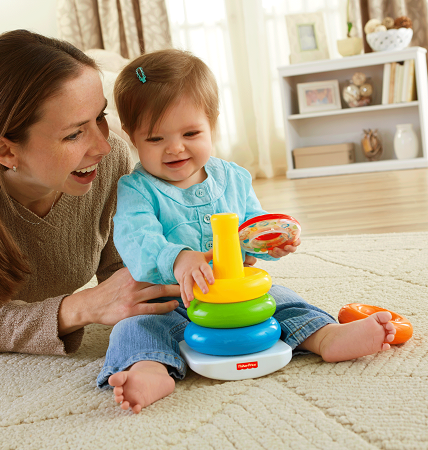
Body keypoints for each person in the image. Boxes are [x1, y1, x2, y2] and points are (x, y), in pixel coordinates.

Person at [99, 49, 397, 413]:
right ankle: (149, 369)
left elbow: (254, 228)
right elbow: (136, 240)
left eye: (191, 132)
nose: (175, 148)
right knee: (132, 329)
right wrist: (178, 260)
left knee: (283, 300)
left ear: (214, 123)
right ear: (131, 136)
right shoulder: (136, 190)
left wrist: (273, 242)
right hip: (172, 300)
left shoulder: (234, 178)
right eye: (155, 139)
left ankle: (327, 336)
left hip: (239, 296)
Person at [0, 30, 183, 356]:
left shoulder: (111, 159)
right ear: (6, 151)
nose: (103, 146)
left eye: (100, 116)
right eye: (74, 134)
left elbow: (123, 269)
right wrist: (78, 309)